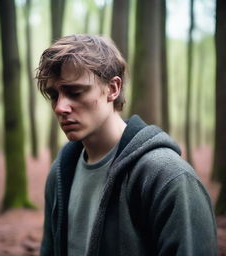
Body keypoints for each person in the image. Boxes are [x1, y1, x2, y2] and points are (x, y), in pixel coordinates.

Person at [36, 34, 217, 256]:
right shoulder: (61, 172)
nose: (60, 107)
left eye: (75, 92)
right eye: (53, 95)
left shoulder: (169, 177)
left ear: (113, 88)